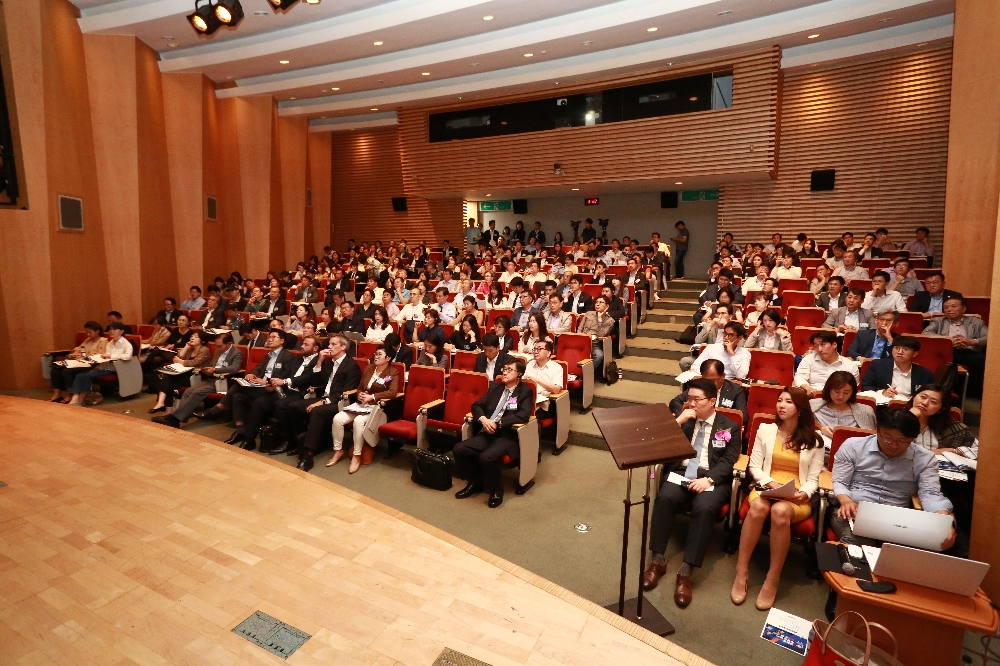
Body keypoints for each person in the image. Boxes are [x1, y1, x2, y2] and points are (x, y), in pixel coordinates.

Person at [642, 379, 741, 606]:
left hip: (711, 477)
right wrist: (677, 421)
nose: (692, 404)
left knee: (704, 507)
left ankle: (687, 570)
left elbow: (729, 460)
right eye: (689, 399)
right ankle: (657, 559)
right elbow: (660, 444)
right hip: (682, 472)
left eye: (697, 399)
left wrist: (709, 479)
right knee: (665, 496)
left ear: (712, 401)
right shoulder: (684, 420)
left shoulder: (728, 426)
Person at [732, 387, 823, 610]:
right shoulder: (766, 429)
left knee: (780, 511)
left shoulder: (815, 440)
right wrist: (772, 484)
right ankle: (741, 572)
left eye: (788, 402)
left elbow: (813, 479)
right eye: (779, 401)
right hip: (767, 486)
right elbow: (754, 466)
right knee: (759, 509)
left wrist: (805, 493)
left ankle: (772, 579)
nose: (781, 405)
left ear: (800, 409)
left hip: (796, 495)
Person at [453, 359, 534, 508]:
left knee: (486, 457)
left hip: (506, 435)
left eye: (510, 370)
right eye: (504, 369)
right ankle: (476, 481)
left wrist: (499, 423)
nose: (504, 372)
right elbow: (476, 405)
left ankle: (497, 489)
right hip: (487, 431)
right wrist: (483, 419)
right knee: (459, 449)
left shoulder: (525, 392)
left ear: (519, 374)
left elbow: (523, 415)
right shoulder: (495, 388)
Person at [286, 335, 363, 467]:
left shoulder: (351, 366)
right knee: (293, 406)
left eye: (333, 344)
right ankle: (301, 442)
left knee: (317, 411)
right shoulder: (328, 362)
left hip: (340, 402)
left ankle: (308, 454)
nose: (329, 347)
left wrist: (323, 402)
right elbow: (316, 383)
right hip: (323, 397)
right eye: (329, 344)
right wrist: (320, 361)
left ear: (343, 347)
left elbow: (345, 393)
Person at [329, 345, 401, 474]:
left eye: (379, 354)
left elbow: (392, 392)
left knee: (358, 422)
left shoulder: (392, 373)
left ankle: (357, 456)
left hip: (377, 407)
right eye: (375, 354)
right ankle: (338, 450)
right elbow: (360, 387)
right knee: (337, 418)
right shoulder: (369, 368)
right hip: (361, 405)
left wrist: (372, 397)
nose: (376, 356)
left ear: (388, 358)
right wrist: (360, 395)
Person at [152, 333, 244, 428]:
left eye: (220, 346)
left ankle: (174, 419)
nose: (218, 349)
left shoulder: (236, 353)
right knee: (188, 391)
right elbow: (213, 364)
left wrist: (215, 370)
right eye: (216, 346)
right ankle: (178, 418)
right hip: (210, 377)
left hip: (222, 380)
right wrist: (207, 370)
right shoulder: (218, 350)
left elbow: (234, 369)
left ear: (228, 343)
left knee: (197, 392)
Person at [923, 296, 988, 395]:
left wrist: (971, 342)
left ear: (963, 308)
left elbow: (989, 337)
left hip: (969, 352)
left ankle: (975, 394)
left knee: (983, 361)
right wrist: (949, 340)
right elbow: (925, 333)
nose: (949, 309)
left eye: (953, 306)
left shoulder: (976, 322)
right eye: (946, 307)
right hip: (947, 351)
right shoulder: (938, 321)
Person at [66, 323, 133, 406]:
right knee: (79, 375)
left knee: (87, 376)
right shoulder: (110, 343)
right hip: (105, 367)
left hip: (117, 369)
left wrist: (111, 355)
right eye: (110, 330)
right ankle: (75, 397)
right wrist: (98, 367)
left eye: (114, 329)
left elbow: (128, 356)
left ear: (121, 331)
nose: (111, 331)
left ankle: (80, 400)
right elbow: (105, 359)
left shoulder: (126, 344)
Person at [146, 331, 212, 414]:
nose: (192, 338)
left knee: (168, 381)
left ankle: (165, 408)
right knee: (167, 379)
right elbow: (178, 358)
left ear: (203, 341)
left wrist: (181, 361)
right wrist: (186, 347)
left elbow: (195, 363)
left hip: (196, 376)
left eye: (196, 337)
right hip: (185, 373)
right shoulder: (190, 349)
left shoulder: (205, 350)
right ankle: (163, 405)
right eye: (192, 336)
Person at [669, 359, 748, 423]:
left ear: (723, 376)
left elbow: (743, 417)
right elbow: (675, 402)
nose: (709, 384)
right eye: (706, 380)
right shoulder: (698, 386)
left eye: (714, 380)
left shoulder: (735, 390)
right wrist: (684, 415)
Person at [907, 384, 977, 453]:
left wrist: (953, 451)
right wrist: (909, 420)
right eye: (923, 397)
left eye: (933, 402)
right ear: (913, 397)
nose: (925, 403)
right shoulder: (896, 418)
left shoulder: (954, 428)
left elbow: (979, 451)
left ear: (942, 408)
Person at [49, 321, 108, 403]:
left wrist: (86, 356)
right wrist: (76, 353)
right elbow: (79, 348)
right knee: (55, 369)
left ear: (97, 331)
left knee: (67, 371)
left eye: (89, 332)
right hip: (79, 362)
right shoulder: (88, 340)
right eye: (86, 332)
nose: (88, 334)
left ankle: (71, 395)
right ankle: (56, 394)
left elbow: (101, 355)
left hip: (91, 364)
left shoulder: (103, 340)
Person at [861, 336, 933, 400]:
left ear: (915, 353)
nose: (900, 352)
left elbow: (930, 395)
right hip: (883, 407)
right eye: (897, 348)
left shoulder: (925, 374)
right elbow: (866, 386)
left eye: (905, 349)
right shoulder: (878, 365)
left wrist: (917, 398)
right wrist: (883, 392)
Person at [810, 371, 876, 438]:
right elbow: (802, 430)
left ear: (852, 393)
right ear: (829, 389)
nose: (840, 396)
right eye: (837, 391)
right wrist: (819, 430)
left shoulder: (866, 411)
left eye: (846, 393)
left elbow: (871, 439)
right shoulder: (812, 406)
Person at [794, 330, 859, 397]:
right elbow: (799, 377)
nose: (819, 349)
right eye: (816, 346)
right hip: (812, 396)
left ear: (834, 345)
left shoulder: (850, 365)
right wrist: (808, 388)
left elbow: (853, 388)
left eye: (823, 344)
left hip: (839, 399)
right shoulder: (808, 359)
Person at [576, 296, 616, 380]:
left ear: (607, 306)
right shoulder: (588, 313)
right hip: (582, 340)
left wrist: (600, 319)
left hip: (594, 343)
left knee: (599, 355)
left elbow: (601, 334)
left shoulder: (610, 320)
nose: (597, 304)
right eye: (597, 302)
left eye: (601, 302)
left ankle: (585, 374)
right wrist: (579, 337)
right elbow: (580, 328)